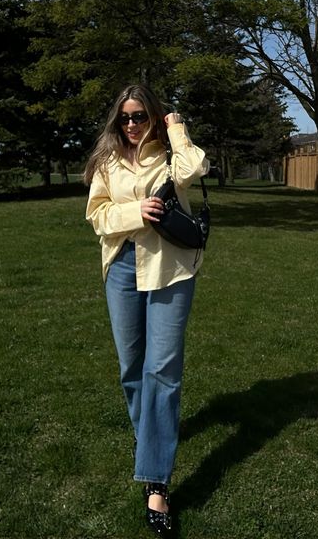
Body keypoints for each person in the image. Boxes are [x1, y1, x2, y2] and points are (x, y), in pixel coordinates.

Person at [84, 84, 209, 537]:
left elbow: (195, 167)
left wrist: (177, 127)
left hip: (170, 268)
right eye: (126, 118)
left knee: (163, 370)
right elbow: (96, 215)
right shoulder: (107, 160)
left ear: (154, 116)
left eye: (140, 116)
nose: (133, 125)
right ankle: (151, 438)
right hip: (121, 268)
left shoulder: (170, 154)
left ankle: (157, 480)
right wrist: (136, 211)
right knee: (131, 367)